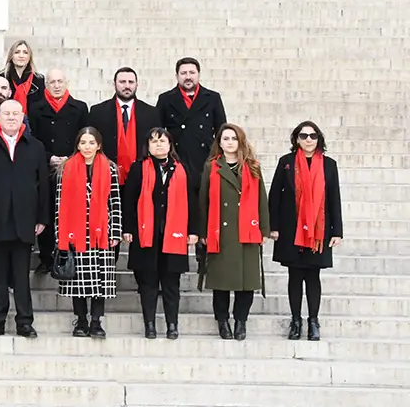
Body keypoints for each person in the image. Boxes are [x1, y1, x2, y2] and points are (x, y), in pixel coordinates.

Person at [0, 100, 49, 338]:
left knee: (21, 277)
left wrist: (42, 218)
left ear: (23, 116)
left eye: (16, 114)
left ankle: (24, 322)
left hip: (24, 220)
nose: (12, 118)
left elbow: (43, 186)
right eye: (7, 114)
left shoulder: (35, 146)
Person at [268, 121, 342, 341]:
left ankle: (313, 321)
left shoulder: (329, 165)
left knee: (313, 276)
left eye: (313, 135)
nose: (308, 139)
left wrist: (336, 230)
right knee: (294, 276)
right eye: (303, 136)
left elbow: (334, 198)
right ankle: (296, 321)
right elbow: (275, 196)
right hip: (292, 229)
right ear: (296, 139)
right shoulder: (286, 162)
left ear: (319, 139)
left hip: (319, 232)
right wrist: (274, 227)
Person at [122, 128, 196, 340]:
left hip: (173, 234)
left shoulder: (182, 169)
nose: (158, 145)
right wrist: (127, 228)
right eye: (153, 142)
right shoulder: (139, 168)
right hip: (147, 235)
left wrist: (193, 231)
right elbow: (129, 200)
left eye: (162, 141)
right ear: (148, 146)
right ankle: (150, 325)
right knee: (148, 283)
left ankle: (172, 325)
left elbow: (191, 201)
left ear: (170, 144)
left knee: (171, 283)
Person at [198, 123, 270, 341]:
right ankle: (222, 320)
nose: (229, 142)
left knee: (246, 282)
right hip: (221, 231)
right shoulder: (212, 167)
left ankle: (241, 321)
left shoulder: (253, 166)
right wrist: (203, 231)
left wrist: (264, 228)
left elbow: (261, 199)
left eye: (233, 138)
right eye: (225, 139)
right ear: (219, 143)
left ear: (241, 141)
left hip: (247, 231)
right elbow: (204, 200)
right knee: (222, 282)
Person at [55, 127, 122, 339]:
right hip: (75, 232)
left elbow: (115, 202)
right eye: (83, 142)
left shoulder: (109, 168)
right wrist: (60, 235)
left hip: (101, 232)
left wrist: (116, 231)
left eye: (91, 142)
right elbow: (59, 204)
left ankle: (96, 321)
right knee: (78, 281)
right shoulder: (66, 167)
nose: (87, 147)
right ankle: (81, 320)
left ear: (99, 145)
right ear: (77, 145)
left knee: (99, 281)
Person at [29, 69, 90, 273]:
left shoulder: (80, 108)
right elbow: (34, 139)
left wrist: (71, 158)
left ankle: (70, 254)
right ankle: (46, 257)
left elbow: (85, 137)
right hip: (46, 168)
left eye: (60, 81)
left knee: (71, 213)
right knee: (46, 211)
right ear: (45, 85)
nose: (56, 85)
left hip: (73, 168)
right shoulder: (36, 108)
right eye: (52, 82)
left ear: (67, 83)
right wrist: (49, 158)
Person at [156, 57, 228, 183]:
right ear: (177, 76)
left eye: (192, 73)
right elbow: (158, 131)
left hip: (205, 161)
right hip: (176, 161)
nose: (188, 77)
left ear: (198, 74)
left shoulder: (212, 98)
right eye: (183, 73)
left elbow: (221, 130)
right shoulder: (165, 99)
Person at [89, 67, 161, 176]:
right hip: (106, 174)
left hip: (142, 176)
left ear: (137, 84)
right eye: (122, 82)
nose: (127, 86)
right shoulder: (98, 112)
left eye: (131, 82)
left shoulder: (151, 113)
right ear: (114, 84)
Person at [0, 39, 45, 110]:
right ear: (11, 55)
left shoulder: (38, 79)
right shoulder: (1, 77)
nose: (21, 56)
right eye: (17, 52)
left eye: (25, 52)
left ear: (29, 56)